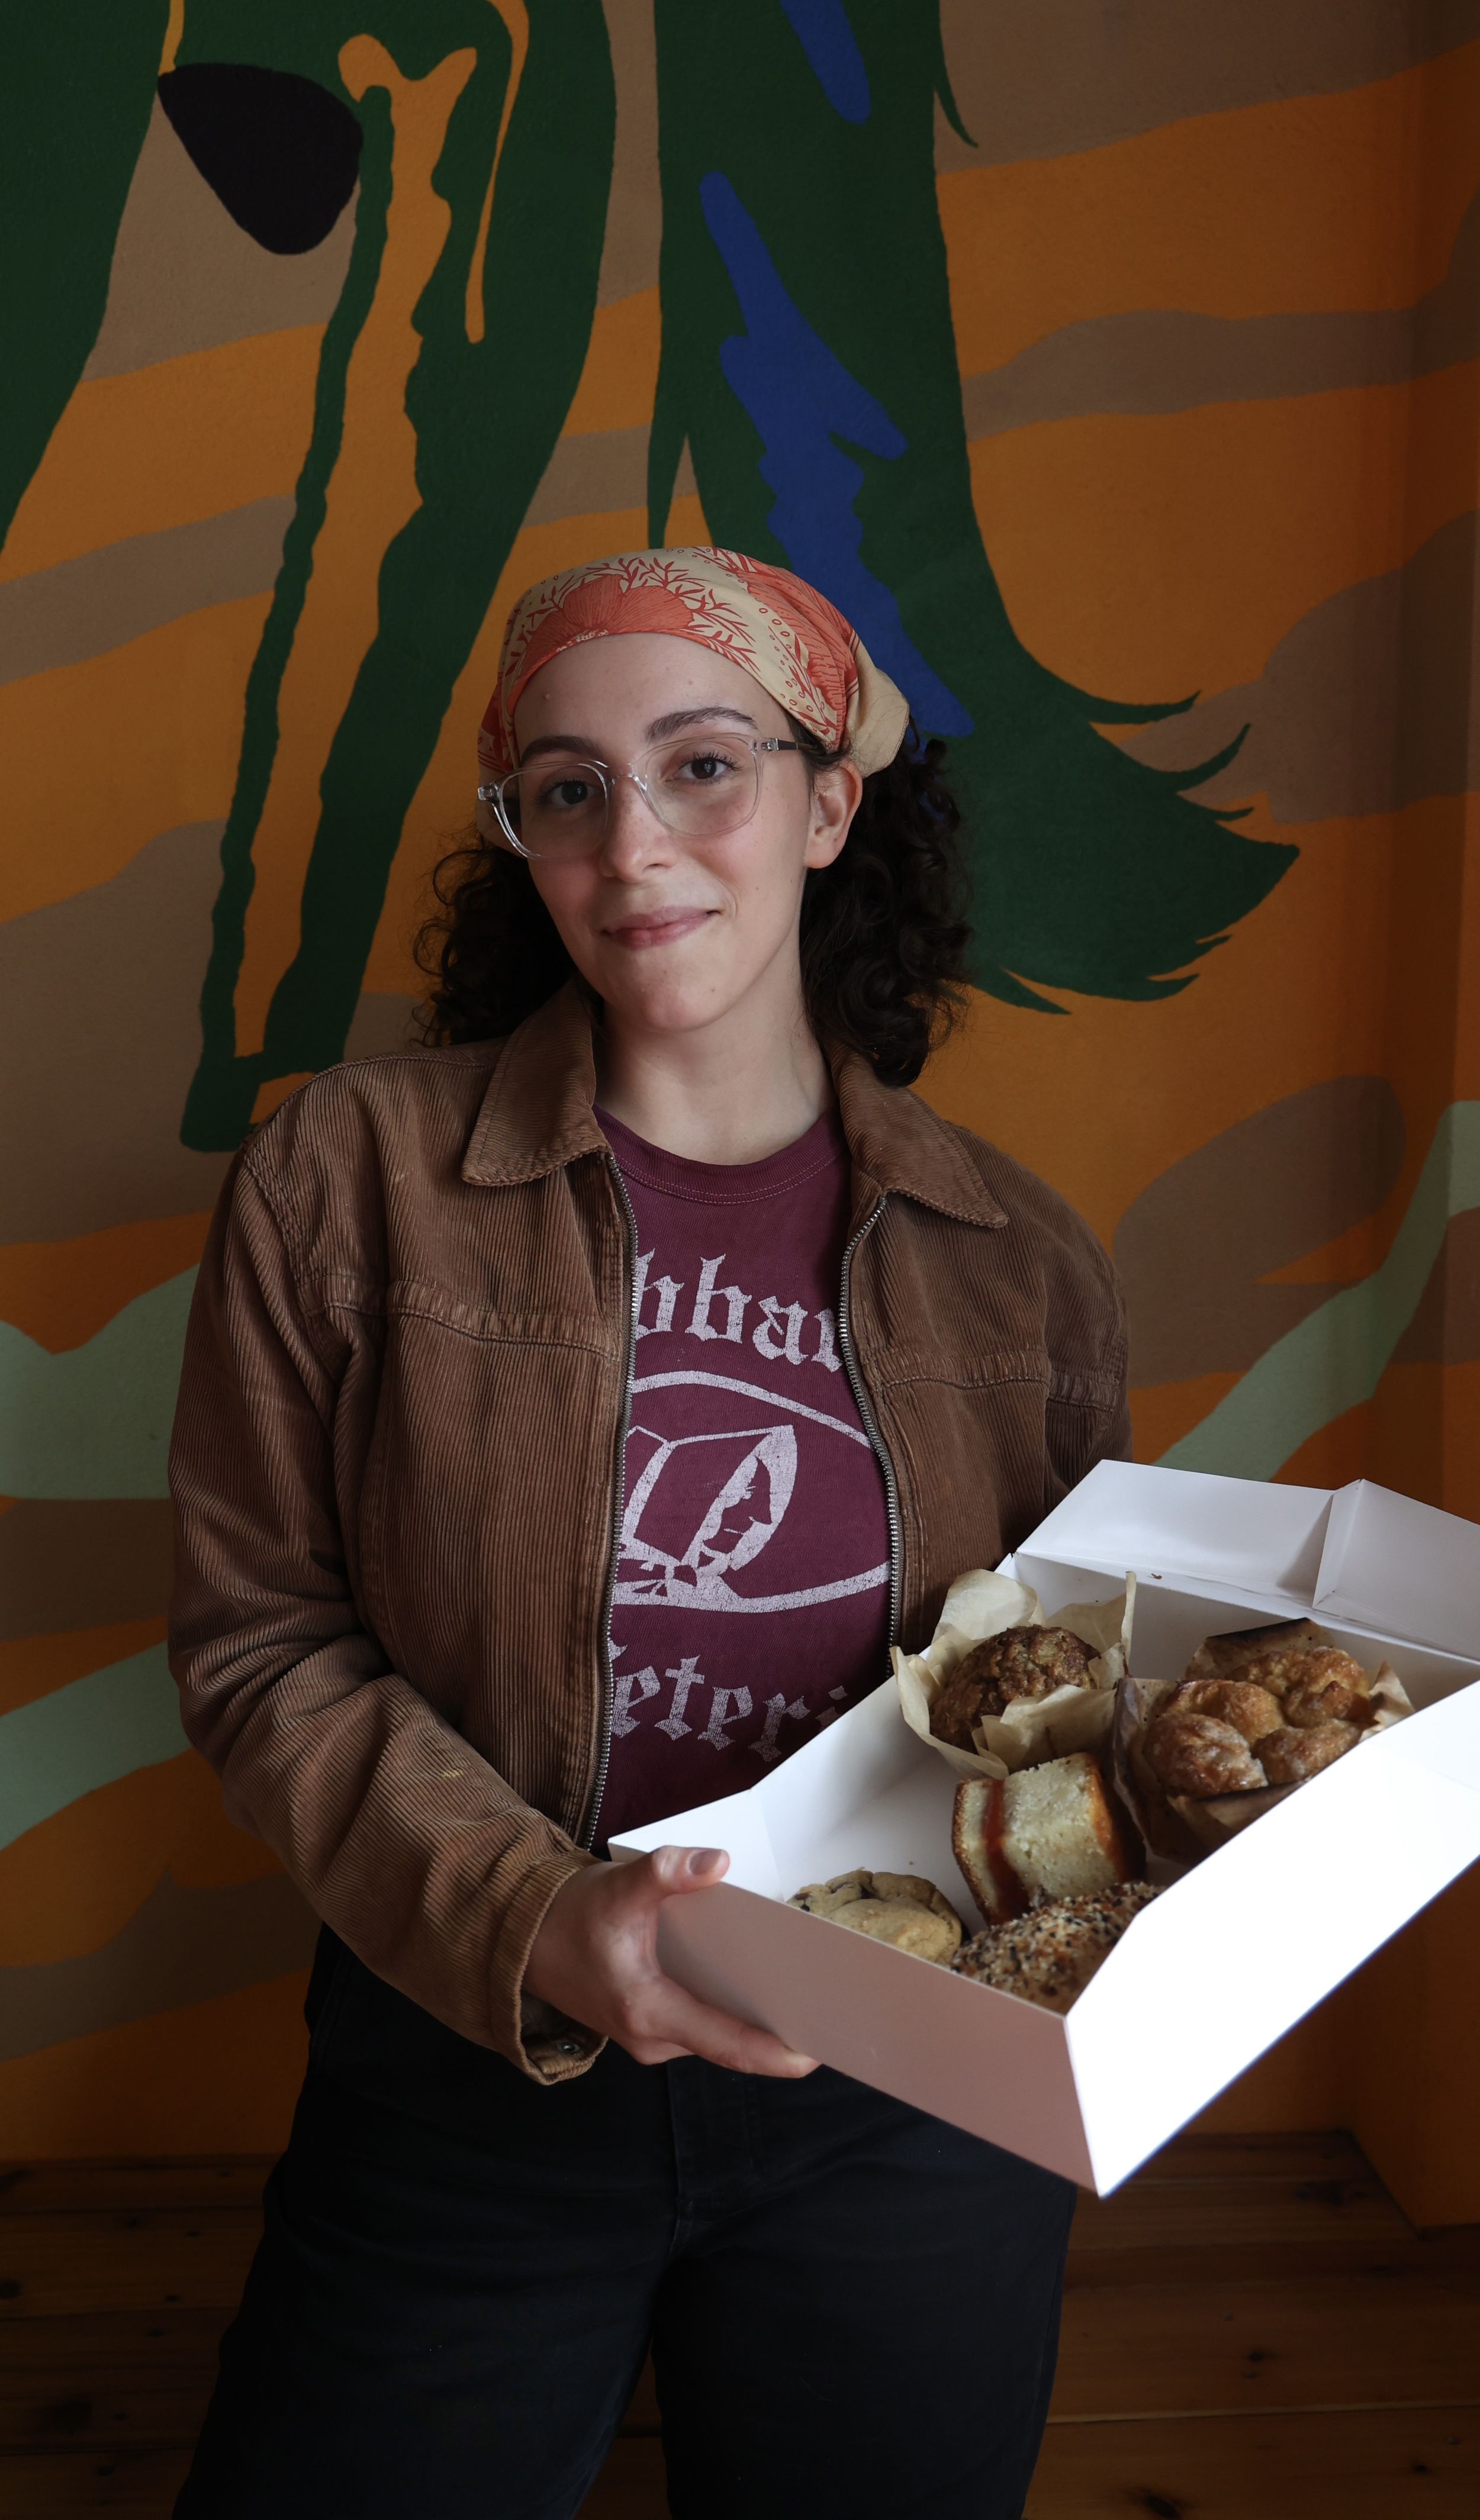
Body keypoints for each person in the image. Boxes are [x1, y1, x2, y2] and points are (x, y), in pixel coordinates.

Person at [168, 546, 1129, 2520]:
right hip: (464, 2059)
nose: (636, 844)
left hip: (906, 2088)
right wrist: (540, 1918)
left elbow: (1063, 1699)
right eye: (567, 786)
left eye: (705, 764)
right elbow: (258, 1638)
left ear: (827, 797)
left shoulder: (1020, 1262)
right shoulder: (343, 1179)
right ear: (517, 827)